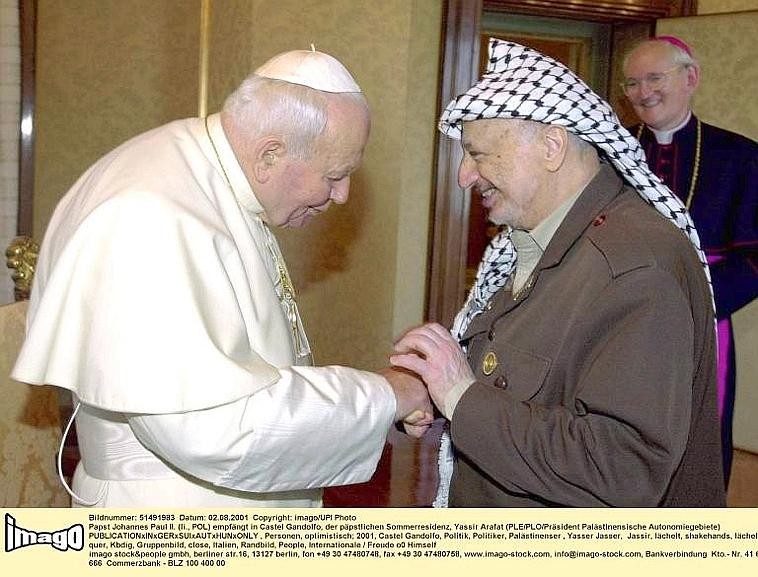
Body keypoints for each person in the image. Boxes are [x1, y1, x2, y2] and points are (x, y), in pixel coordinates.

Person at [12, 48, 432, 507]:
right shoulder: (152, 215)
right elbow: (215, 425)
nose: (343, 195)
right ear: (270, 154)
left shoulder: (197, 170)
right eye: (334, 175)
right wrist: (388, 393)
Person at [391, 39, 725, 507]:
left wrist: (462, 399)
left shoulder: (633, 265)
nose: (465, 175)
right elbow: (532, 393)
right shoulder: (533, 242)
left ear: (551, 146)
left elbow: (620, 469)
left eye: (479, 154)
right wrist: (436, 394)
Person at [622, 37, 757, 485]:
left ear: (690, 78)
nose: (644, 92)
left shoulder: (738, 155)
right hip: (620, 316)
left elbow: (755, 256)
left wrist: (693, 301)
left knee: (695, 435)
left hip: (702, 317)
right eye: (633, 83)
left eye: (655, 78)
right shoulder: (609, 154)